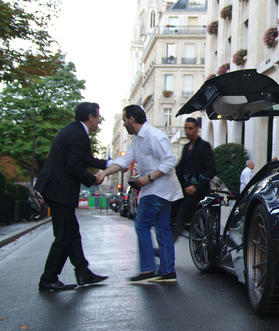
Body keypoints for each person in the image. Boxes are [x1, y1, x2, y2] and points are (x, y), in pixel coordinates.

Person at [97, 105, 183, 282]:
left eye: (124, 120)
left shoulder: (154, 136)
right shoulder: (137, 140)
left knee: (142, 224)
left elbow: (170, 161)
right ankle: (167, 271)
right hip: (161, 190)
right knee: (162, 229)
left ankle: (148, 270)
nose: (124, 124)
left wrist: (147, 178)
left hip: (157, 189)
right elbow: (123, 161)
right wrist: (103, 173)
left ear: (132, 119)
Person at [36, 102, 110, 292]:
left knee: (72, 233)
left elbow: (85, 159)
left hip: (55, 188)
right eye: (98, 116)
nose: (99, 120)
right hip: (58, 190)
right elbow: (74, 166)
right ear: (90, 117)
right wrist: (93, 179)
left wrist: (109, 163)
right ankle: (48, 278)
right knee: (63, 237)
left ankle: (83, 272)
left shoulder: (75, 131)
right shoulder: (79, 135)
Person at [172, 117, 217, 242]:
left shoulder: (204, 146)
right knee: (181, 220)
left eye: (190, 128)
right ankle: (167, 249)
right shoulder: (186, 147)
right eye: (186, 128)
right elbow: (181, 168)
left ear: (197, 129)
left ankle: (167, 249)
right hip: (185, 192)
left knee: (184, 221)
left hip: (198, 194)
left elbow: (211, 170)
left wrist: (196, 186)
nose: (188, 131)